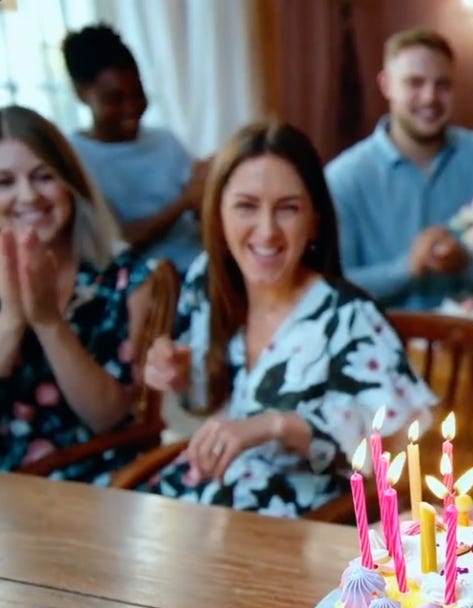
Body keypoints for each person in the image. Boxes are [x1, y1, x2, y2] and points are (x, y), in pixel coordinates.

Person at [141, 121, 435, 517]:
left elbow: (403, 444)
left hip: (297, 528)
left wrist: (276, 425)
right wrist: (176, 373)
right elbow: (198, 403)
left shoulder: (348, 317)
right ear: (217, 214)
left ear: (314, 220)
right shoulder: (206, 281)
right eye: (246, 206)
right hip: (200, 504)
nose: (267, 231)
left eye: (288, 209)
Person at [0, 105, 155, 483]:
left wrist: (48, 322)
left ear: (71, 184)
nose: (28, 197)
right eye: (4, 182)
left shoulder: (125, 277)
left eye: (43, 177)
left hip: (103, 480)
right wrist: (14, 317)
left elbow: (107, 417)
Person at [325, 29, 473, 310]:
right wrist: (407, 268)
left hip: (469, 342)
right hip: (382, 344)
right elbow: (334, 288)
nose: (430, 98)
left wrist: (465, 262)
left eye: (443, 85)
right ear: (387, 85)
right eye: (414, 83)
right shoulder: (343, 177)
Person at [62, 23, 207, 273]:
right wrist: (184, 202)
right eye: (115, 99)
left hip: (200, 266)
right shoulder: (73, 158)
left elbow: (199, 206)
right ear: (81, 94)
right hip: (141, 287)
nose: (131, 109)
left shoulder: (165, 142)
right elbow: (116, 243)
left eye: (138, 95)